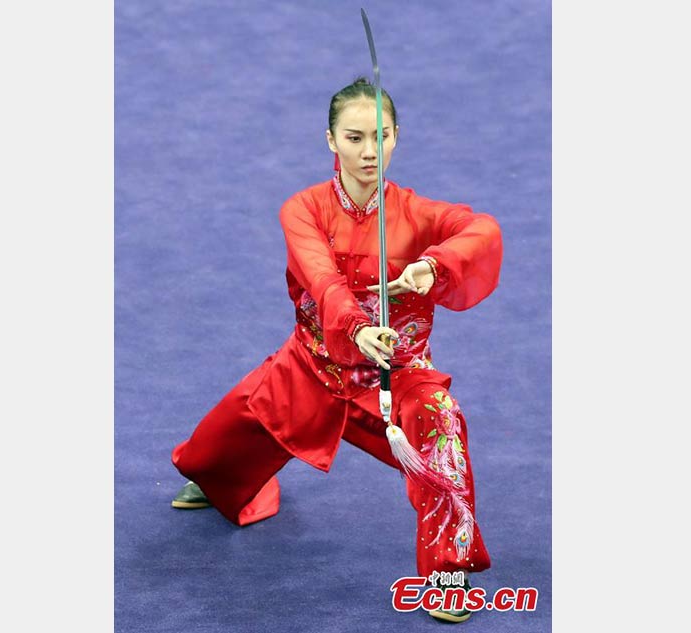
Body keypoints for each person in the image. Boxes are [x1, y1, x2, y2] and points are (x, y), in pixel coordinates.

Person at [170, 77, 503, 623]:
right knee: (209, 461)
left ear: (397, 136)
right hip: (310, 368)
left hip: (395, 383)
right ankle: (217, 475)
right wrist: (354, 326)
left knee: (442, 424)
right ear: (330, 140)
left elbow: (481, 230)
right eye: (354, 138)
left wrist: (433, 265)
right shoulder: (302, 209)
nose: (369, 151)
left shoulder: (418, 215)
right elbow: (320, 278)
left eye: (382, 136)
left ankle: (450, 563)